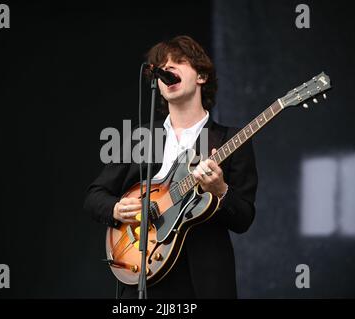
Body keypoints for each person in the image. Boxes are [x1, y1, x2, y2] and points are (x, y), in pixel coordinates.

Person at [83, 35, 258, 298]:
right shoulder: (140, 138)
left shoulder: (230, 141)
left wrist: (220, 190)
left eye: (178, 62)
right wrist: (117, 208)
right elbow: (94, 197)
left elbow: (244, 217)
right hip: (141, 272)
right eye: (162, 66)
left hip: (201, 281)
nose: (167, 69)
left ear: (201, 77)